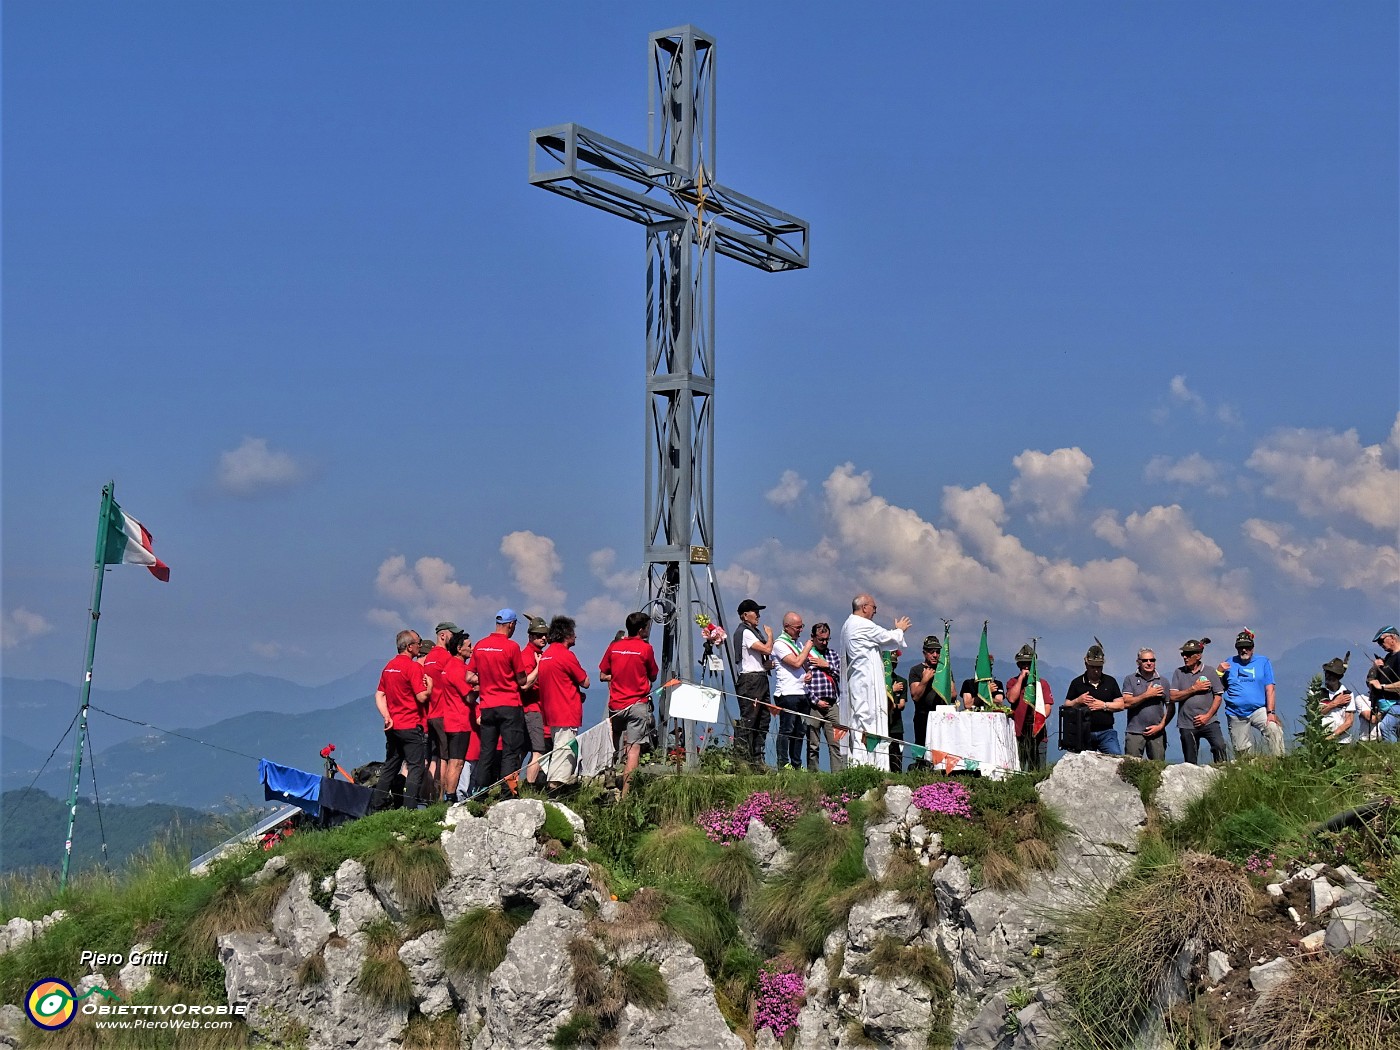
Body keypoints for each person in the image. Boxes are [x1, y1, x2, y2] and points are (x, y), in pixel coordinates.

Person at [839, 594, 911, 768]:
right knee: (866, 721)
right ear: (864, 607)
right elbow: (887, 637)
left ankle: (868, 763)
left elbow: (881, 643)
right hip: (865, 684)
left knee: (863, 721)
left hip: (861, 681)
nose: (875, 612)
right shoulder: (860, 624)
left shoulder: (848, 625)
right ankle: (865, 765)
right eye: (874, 608)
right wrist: (900, 629)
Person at [467, 609, 529, 797]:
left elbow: (469, 676)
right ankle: (508, 792)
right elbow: (522, 680)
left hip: (487, 705)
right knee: (511, 751)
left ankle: (478, 792)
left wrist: (486, 679)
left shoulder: (480, 645)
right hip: (509, 704)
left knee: (487, 749)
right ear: (511, 625)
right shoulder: (512, 647)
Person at [599, 610, 659, 797]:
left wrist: (617, 676)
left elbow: (603, 674)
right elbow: (653, 675)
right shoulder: (646, 649)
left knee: (613, 740)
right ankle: (626, 794)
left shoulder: (614, 647)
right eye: (648, 627)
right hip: (637, 704)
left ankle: (609, 777)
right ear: (641, 630)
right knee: (633, 748)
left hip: (616, 704)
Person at [372, 629, 431, 810]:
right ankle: (409, 807)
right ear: (409, 646)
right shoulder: (413, 667)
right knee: (416, 767)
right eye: (417, 643)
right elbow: (421, 697)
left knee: (391, 765)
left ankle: (376, 805)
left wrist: (387, 716)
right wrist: (430, 687)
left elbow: (379, 694)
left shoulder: (389, 667)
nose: (419, 646)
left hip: (393, 726)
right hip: (411, 724)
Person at [537, 615, 590, 791]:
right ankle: (555, 789)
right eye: (573, 632)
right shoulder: (566, 655)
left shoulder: (546, 655)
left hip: (550, 711)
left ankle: (553, 784)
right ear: (566, 634)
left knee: (557, 748)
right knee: (564, 752)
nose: (575, 636)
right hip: (566, 711)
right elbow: (585, 681)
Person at [1218, 629, 1285, 757]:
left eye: (1247, 647)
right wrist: (1219, 672)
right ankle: (1248, 771)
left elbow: (1270, 688)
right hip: (1236, 713)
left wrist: (1271, 713)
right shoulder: (1229, 663)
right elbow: (1220, 687)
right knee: (1241, 750)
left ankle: (1279, 761)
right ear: (1236, 649)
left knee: (1274, 729)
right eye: (1241, 647)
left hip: (1259, 709)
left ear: (1252, 648)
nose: (1244, 650)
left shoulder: (1263, 662)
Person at [421, 621, 463, 802]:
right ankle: (442, 799)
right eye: (453, 635)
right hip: (444, 713)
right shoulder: (445, 658)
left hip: (431, 713)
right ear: (443, 636)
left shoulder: (428, 657)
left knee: (434, 758)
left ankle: (429, 798)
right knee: (446, 758)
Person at [1170, 638, 1226, 765]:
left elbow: (1218, 696)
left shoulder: (1210, 671)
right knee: (1190, 759)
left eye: (1188, 654)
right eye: (1183, 654)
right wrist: (1193, 689)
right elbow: (1173, 696)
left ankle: (1222, 773)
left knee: (1219, 746)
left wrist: (1207, 716)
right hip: (1187, 723)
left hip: (1209, 721)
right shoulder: (1179, 673)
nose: (1185, 657)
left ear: (1198, 655)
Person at [734, 599, 775, 767]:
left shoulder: (751, 631)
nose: (758, 615)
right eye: (755, 611)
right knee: (750, 719)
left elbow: (756, 655)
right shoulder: (746, 632)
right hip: (751, 680)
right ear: (745, 615)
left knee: (763, 719)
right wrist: (770, 635)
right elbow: (766, 649)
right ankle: (742, 758)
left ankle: (757, 758)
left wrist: (765, 665)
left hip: (759, 677)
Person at [1063, 641, 1124, 755]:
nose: (1096, 671)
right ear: (1086, 665)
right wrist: (1078, 701)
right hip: (1083, 732)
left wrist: (1104, 705)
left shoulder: (1110, 682)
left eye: (1099, 667)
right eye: (1093, 667)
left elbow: (1121, 704)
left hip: (1106, 732)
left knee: (1115, 756)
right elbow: (1066, 705)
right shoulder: (1077, 683)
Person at [771, 612, 814, 769]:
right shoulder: (780, 644)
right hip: (787, 693)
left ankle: (797, 763)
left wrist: (808, 673)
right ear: (787, 627)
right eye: (797, 627)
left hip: (802, 692)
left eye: (802, 626)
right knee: (787, 729)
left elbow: (804, 665)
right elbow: (795, 662)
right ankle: (783, 763)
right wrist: (808, 647)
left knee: (800, 731)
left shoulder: (799, 644)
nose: (800, 630)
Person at [438, 631, 476, 801]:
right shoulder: (458, 669)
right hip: (460, 721)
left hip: (450, 719)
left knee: (452, 759)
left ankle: (449, 794)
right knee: (457, 761)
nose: (472, 649)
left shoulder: (448, 666)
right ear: (459, 649)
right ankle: (451, 797)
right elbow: (468, 696)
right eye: (469, 646)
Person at [1005, 644, 1054, 771]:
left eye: (1029, 663)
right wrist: (1021, 678)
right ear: (1018, 666)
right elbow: (1011, 698)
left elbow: (1047, 707)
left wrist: (1038, 719)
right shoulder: (1012, 682)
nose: (1026, 666)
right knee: (1018, 768)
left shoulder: (1042, 684)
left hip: (1037, 732)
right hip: (1019, 733)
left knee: (1038, 769)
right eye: (1023, 664)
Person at [802, 621, 843, 772]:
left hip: (832, 704)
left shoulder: (833, 655)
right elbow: (801, 682)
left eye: (827, 640)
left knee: (835, 743)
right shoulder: (806, 655)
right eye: (821, 640)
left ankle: (838, 775)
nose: (824, 643)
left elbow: (841, 676)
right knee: (813, 743)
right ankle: (813, 775)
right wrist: (815, 701)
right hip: (814, 705)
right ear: (813, 637)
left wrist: (827, 666)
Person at [1120, 648, 1173, 760]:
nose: (1149, 663)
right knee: (1131, 767)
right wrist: (1147, 695)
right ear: (1138, 662)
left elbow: (1170, 707)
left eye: (1152, 660)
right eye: (1145, 660)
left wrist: (1161, 726)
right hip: (1134, 732)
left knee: (1158, 768)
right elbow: (1126, 703)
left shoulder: (1163, 681)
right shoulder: (1130, 679)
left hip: (1157, 733)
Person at [517, 616, 550, 787]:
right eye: (538, 635)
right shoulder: (527, 656)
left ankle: (513, 787)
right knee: (538, 750)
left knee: (523, 751)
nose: (543, 638)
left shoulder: (538, 655)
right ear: (530, 636)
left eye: (545, 635)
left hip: (536, 710)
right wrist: (539, 667)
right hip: (532, 709)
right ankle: (529, 787)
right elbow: (525, 685)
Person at [908, 635, 951, 764]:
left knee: (942, 747)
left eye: (938, 652)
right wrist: (924, 680)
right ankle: (920, 770)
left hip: (942, 716)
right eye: (931, 652)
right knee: (922, 746)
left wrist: (945, 675)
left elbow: (953, 694)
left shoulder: (944, 669)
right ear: (924, 653)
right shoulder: (916, 670)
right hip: (923, 716)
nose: (935, 655)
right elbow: (915, 695)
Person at [1366, 625, 1400, 741]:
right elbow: (1372, 681)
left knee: (1386, 727)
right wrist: (1375, 668)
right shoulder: (1388, 657)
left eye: (1381, 641)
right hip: (1387, 704)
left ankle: (1393, 757)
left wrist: (1382, 687)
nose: (1381, 645)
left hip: (1397, 703)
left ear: (1392, 638)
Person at [1319, 657, 1364, 743]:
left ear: (1339, 677)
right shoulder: (1317, 692)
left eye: (1332, 674)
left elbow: (1349, 721)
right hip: (1321, 739)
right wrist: (1334, 703)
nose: (1328, 676)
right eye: (1327, 673)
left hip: (1343, 741)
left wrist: (1333, 736)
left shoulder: (1347, 694)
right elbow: (1315, 715)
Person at [885, 650, 908, 772]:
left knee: (896, 758)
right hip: (882, 725)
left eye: (894, 664)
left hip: (896, 726)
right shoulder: (879, 682)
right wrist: (891, 690)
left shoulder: (901, 681)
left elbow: (902, 704)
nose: (892, 667)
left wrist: (894, 705)